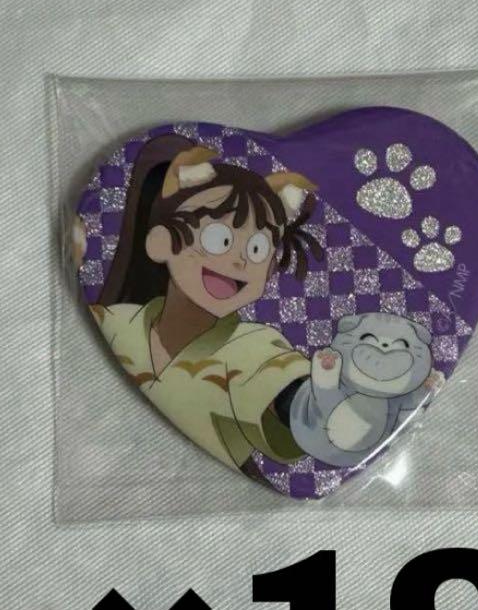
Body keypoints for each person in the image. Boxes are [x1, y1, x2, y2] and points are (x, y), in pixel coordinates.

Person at [87, 133, 322, 479]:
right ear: (161, 242)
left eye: (257, 249)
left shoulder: (256, 349)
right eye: (218, 239)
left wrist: (310, 401)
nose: (239, 261)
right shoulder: (117, 323)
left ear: (271, 269)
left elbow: (282, 388)